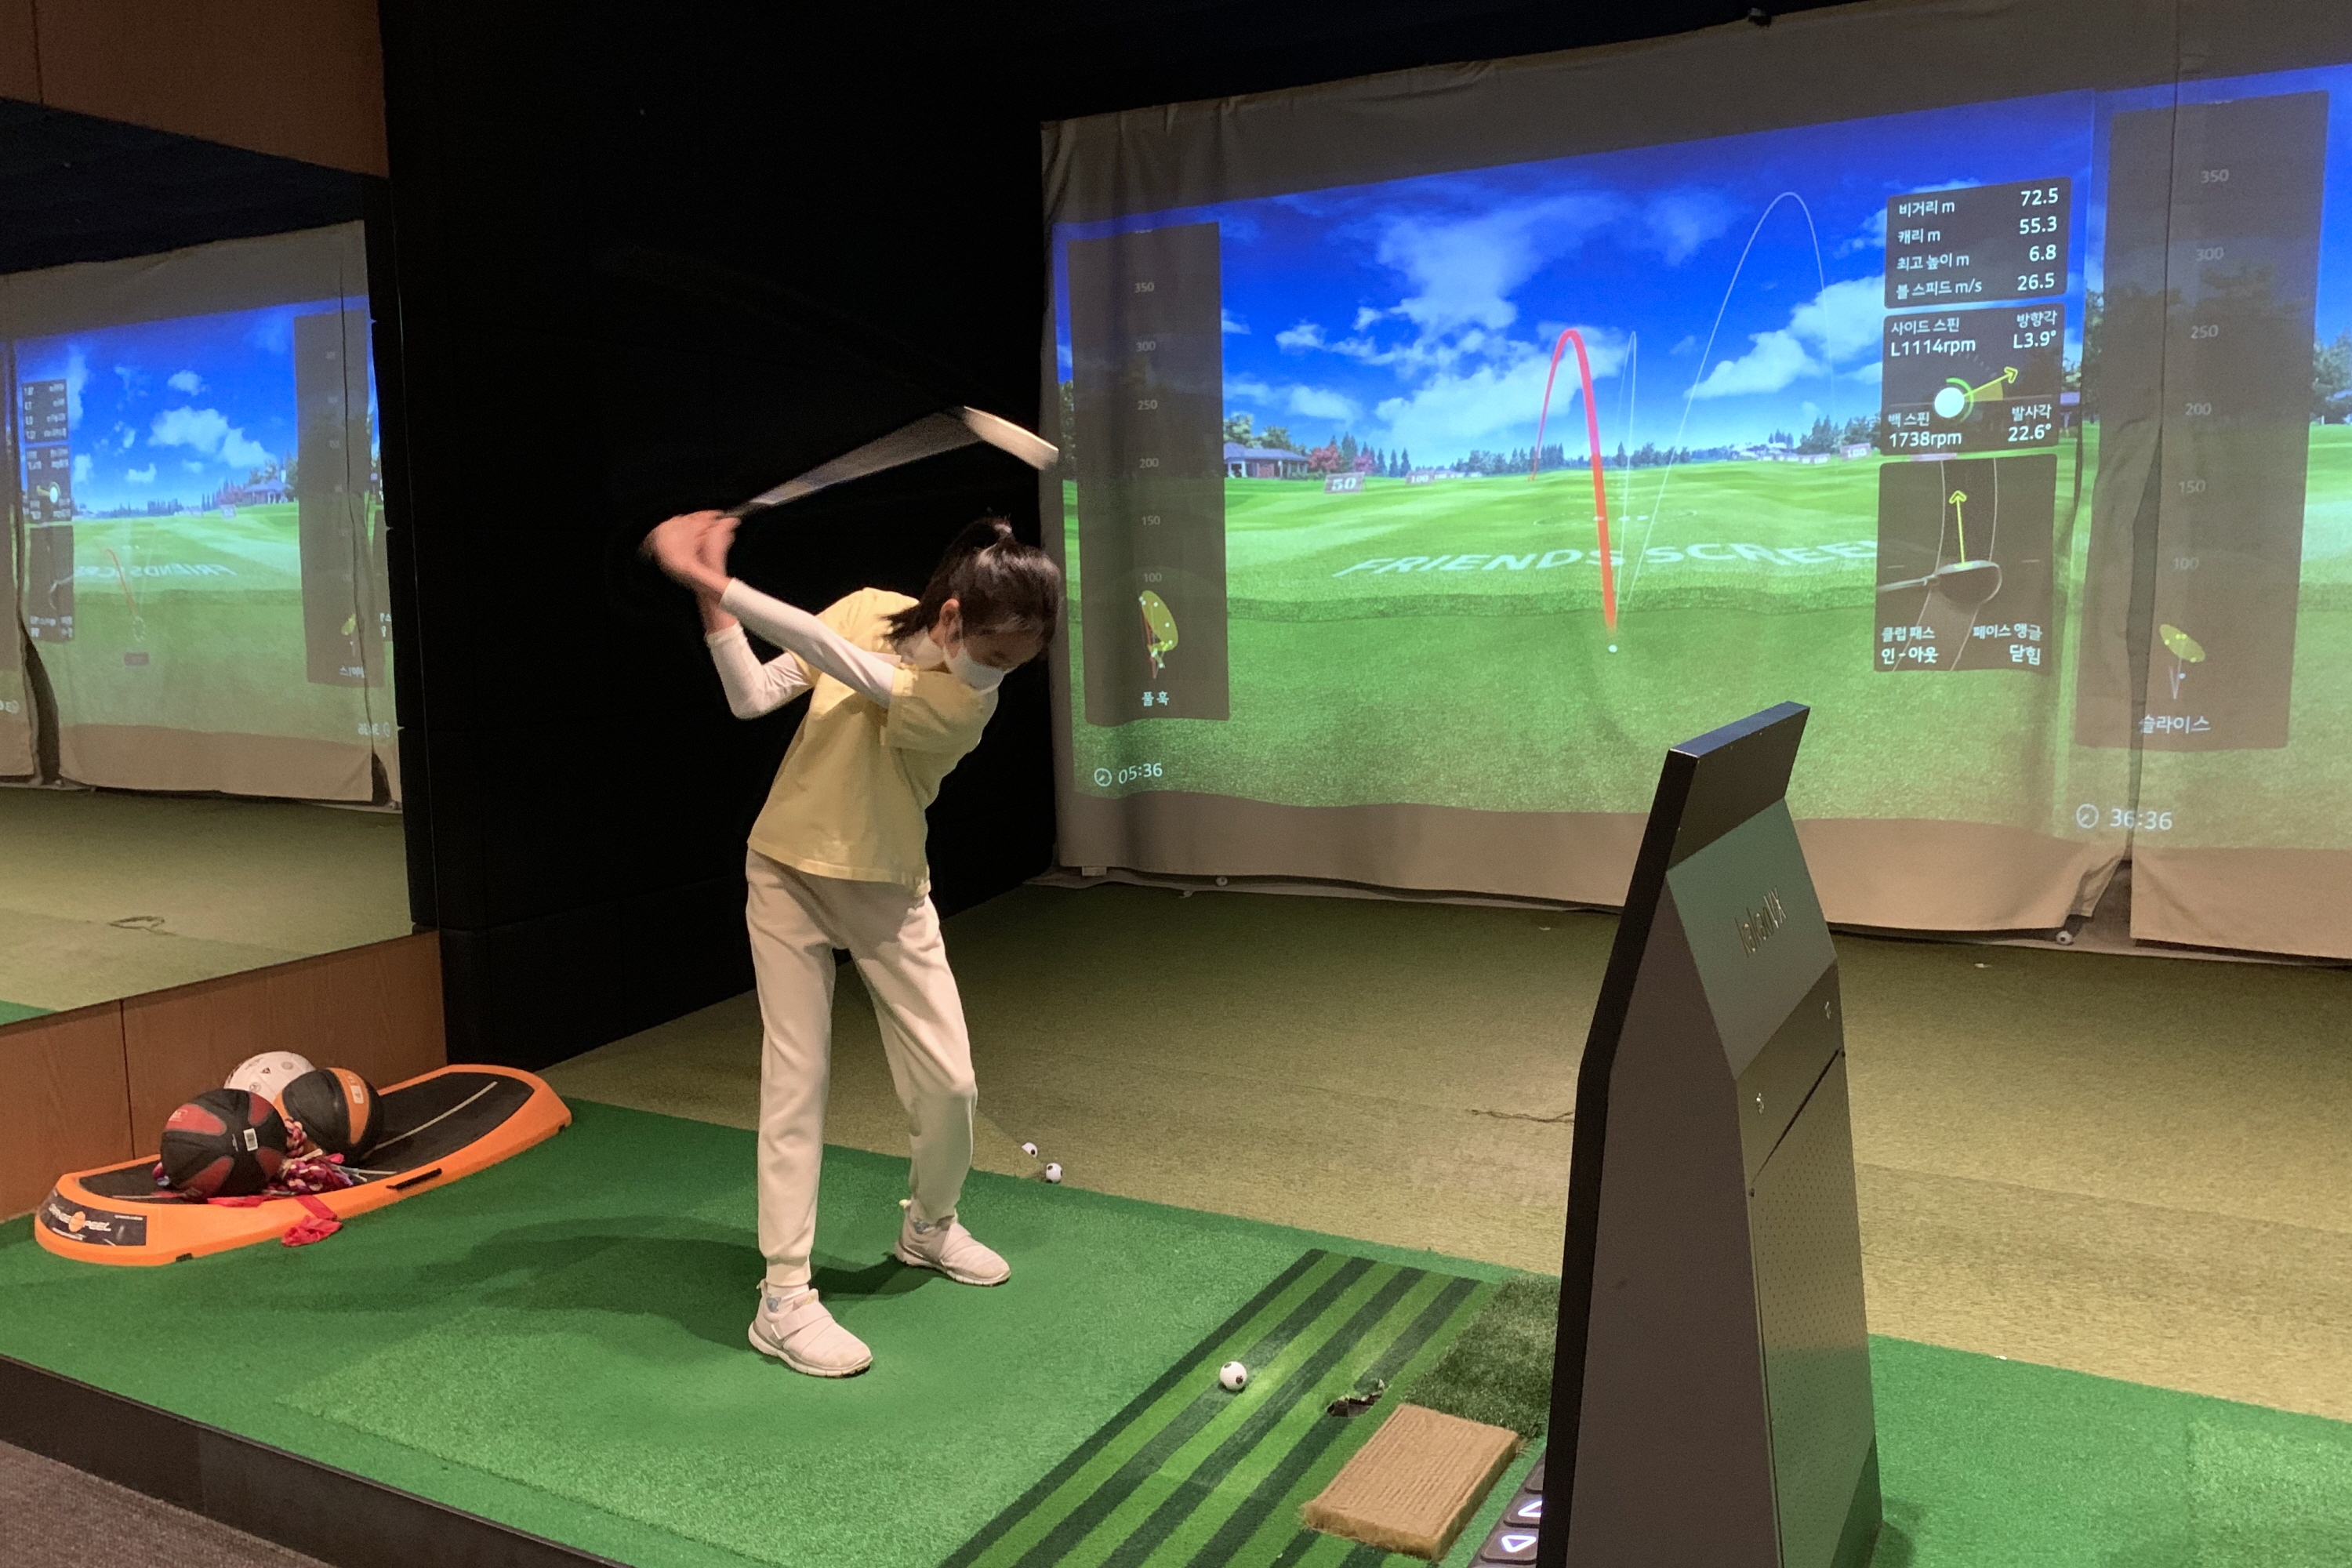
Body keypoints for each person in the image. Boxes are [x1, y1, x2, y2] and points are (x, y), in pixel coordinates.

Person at [643, 507, 1062, 1377]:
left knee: (950, 1082)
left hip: (888, 887)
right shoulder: (868, 607)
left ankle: (930, 1226)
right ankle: (783, 1298)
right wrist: (711, 599)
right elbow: (753, 695)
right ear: (952, 615)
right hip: (784, 869)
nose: (999, 673)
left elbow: (840, 661)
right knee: (795, 1081)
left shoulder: (964, 704)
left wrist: (714, 576)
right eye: (994, 652)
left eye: (1019, 662)